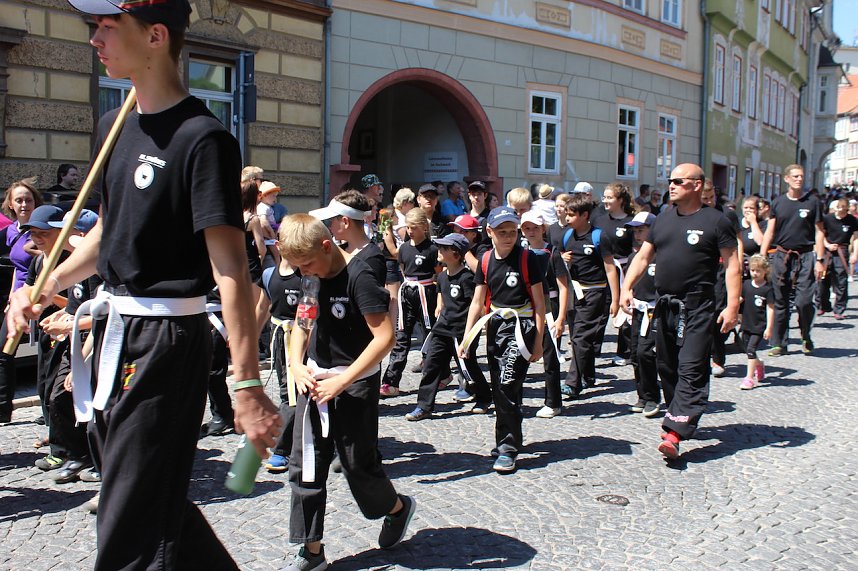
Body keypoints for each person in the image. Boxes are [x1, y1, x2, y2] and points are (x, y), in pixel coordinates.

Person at [6, 1, 282, 568]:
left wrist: (246, 382)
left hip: (167, 342)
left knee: (129, 519)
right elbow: (110, 231)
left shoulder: (204, 139)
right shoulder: (115, 127)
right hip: (114, 331)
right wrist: (45, 284)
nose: (96, 39)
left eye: (109, 27)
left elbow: (230, 269)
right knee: (147, 499)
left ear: (156, 35)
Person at [280, 214, 415, 571]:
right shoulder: (311, 278)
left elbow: (385, 338)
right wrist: (295, 363)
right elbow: (302, 323)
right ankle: (312, 552)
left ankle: (396, 508)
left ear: (327, 246)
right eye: (297, 267)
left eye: (307, 263)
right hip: (316, 380)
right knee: (305, 465)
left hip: (354, 382)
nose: (303, 272)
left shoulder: (360, 278)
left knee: (358, 466)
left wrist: (344, 380)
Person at [620, 163, 739, 460]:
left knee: (691, 366)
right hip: (665, 305)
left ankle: (674, 431)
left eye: (678, 181)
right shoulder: (662, 220)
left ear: (697, 185)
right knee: (667, 365)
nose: (671, 185)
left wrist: (733, 306)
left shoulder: (716, 221)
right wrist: (626, 288)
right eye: (670, 180)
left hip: (698, 306)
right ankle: (682, 413)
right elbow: (644, 256)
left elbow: (733, 265)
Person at [460, 206, 545, 473]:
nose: (508, 237)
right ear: (490, 232)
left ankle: (507, 447)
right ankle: (512, 437)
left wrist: (539, 342)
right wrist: (466, 338)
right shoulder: (485, 260)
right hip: (495, 326)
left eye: (512, 231)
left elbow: (540, 305)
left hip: (521, 328)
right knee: (501, 385)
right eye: (502, 232)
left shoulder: (528, 259)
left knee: (507, 384)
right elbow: (477, 301)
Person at [405, 233, 487, 420]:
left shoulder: (467, 278)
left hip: (461, 332)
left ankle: (483, 397)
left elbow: (476, 305)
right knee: (431, 367)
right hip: (441, 330)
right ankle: (423, 406)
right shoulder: (441, 276)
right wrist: (439, 306)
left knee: (468, 367)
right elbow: (442, 293)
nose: (438, 251)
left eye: (443, 249)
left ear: (456, 254)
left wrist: (468, 335)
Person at [759, 164, 825, 356]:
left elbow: (820, 232)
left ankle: (806, 335)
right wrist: (762, 255)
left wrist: (820, 259)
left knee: (804, 301)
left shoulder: (813, 202)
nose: (799, 179)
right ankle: (779, 343)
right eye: (795, 176)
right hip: (782, 255)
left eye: (801, 176)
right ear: (786, 179)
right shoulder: (778, 203)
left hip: (805, 256)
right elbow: (770, 231)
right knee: (780, 301)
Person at [559, 193, 619, 398]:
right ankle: (589, 375)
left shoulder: (599, 236)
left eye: (571, 215)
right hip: (574, 292)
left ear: (584, 215)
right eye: (566, 214)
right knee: (580, 337)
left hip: (595, 292)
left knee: (580, 338)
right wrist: (561, 258)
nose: (567, 219)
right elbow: (558, 264)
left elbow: (611, 268)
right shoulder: (567, 236)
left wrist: (616, 299)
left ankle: (572, 383)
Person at [381, 208, 438, 396]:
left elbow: (438, 275)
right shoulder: (404, 248)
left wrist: (439, 300)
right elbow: (403, 269)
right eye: (408, 227)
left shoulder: (432, 249)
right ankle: (391, 381)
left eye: (413, 227)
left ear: (424, 227)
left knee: (429, 334)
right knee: (402, 335)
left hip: (426, 293)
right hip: (409, 293)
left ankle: (438, 374)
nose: (410, 231)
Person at [0, 179, 42, 424]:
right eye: (19, 200)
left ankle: (48, 409)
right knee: (5, 351)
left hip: (41, 295)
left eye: (28, 199)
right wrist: (10, 298)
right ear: (11, 205)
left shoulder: (44, 227)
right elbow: (17, 266)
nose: (24, 204)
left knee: (46, 355)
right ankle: (4, 409)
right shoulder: (10, 232)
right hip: (18, 298)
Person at [519, 210, 568, 418]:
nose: (531, 232)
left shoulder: (552, 252)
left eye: (535, 228)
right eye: (527, 228)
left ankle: (553, 402)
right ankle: (515, 399)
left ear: (543, 229)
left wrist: (561, 318)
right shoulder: (520, 252)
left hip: (550, 307)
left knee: (550, 356)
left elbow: (564, 287)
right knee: (521, 353)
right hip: (527, 306)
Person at [260, 237, 302, 473]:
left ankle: (282, 449)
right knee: (289, 391)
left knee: (294, 394)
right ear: (279, 245)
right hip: (279, 338)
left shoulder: (307, 275)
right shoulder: (268, 275)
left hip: (304, 338)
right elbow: (262, 307)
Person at [624, 211, 661, 417]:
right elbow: (629, 282)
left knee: (646, 353)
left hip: (654, 310)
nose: (637, 235)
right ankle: (643, 395)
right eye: (635, 231)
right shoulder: (634, 257)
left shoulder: (662, 256)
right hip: (638, 310)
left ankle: (653, 396)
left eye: (641, 230)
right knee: (636, 353)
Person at [311, 191, 386, 287]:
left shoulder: (372, 258)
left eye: (331, 221)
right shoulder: (339, 250)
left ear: (345, 222)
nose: (329, 226)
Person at [598, 182, 636, 367]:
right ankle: (592, 349)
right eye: (604, 197)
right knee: (600, 309)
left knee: (625, 310)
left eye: (609, 197)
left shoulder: (630, 221)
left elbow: (636, 249)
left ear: (620, 200)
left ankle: (625, 351)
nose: (605, 200)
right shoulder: (599, 220)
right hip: (602, 270)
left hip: (624, 270)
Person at [817, 198, 858, 318]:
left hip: (842, 250)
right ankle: (823, 305)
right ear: (836, 208)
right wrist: (827, 245)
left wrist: (855, 254)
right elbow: (821, 235)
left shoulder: (852, 220)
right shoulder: (827, 219)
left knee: (841, 280)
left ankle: (839, 309)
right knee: (823, 279)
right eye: (839, 210)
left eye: (844, 211)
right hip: (827, 250)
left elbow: (856, 238)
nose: (841, 213)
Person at [738, 254, 774, 390]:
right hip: (746, 323)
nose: (755, 273)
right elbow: (740, 299)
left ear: (765, 271)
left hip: (759, 326)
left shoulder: (768, 289)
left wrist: (769, 327)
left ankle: (749, 378)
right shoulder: (746, 285)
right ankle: (759, 364)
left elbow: (771, 309)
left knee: (751, 349)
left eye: (758, 270)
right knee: (748, 350)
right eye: (753, 270)